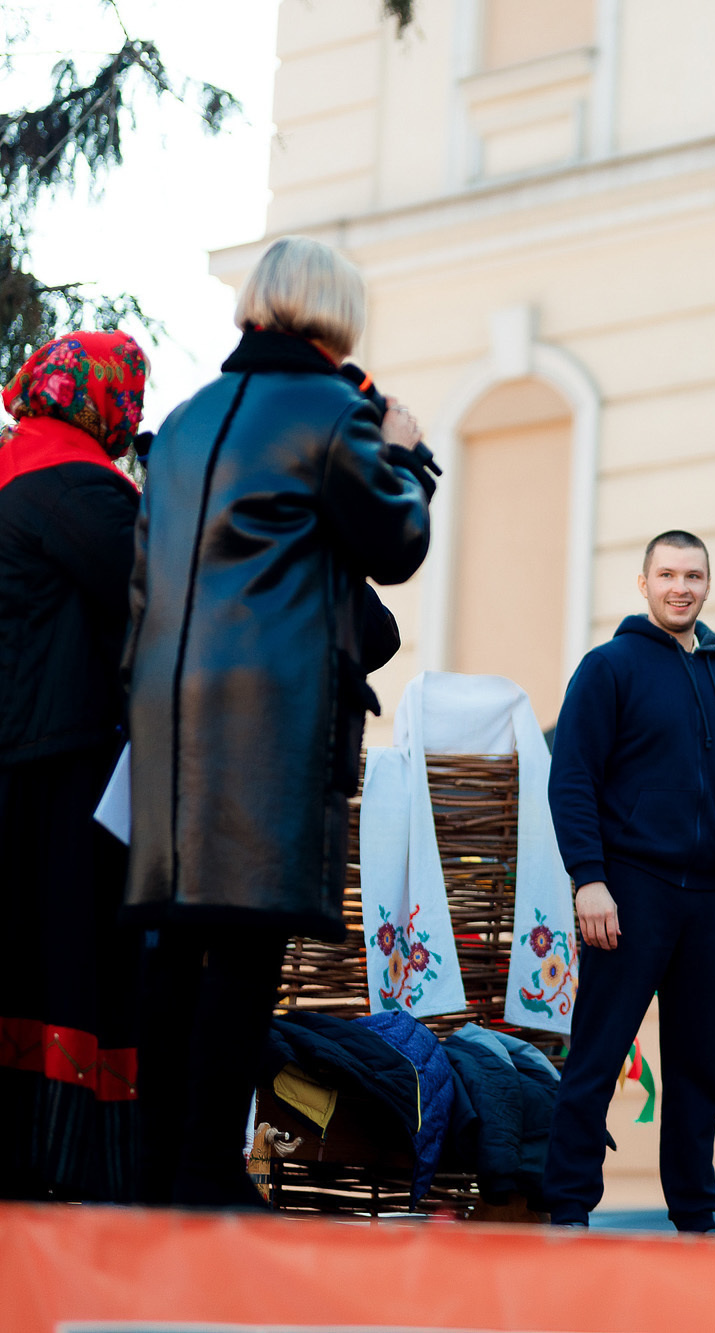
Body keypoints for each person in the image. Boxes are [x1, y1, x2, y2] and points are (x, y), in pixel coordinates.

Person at [125, 235, 433, 1207]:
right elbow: (397, 542)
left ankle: (155, 1165)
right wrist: (411, 454)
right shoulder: (335, 413)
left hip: (170, 716)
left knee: (178, 943)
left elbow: (144, 581)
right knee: (249, 948)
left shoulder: (180, 421)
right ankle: (207, 1168)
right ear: (334, 312)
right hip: (271, 713)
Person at [544, 529, 715, 1230]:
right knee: (598, 1052)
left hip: (711, 897)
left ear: (708, 585)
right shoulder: (608, 667)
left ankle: (695, 1215)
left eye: (695, 575)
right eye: (668, 574)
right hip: (629, 888)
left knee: (699, 1067)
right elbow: (573, 778)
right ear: (643, 583)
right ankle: (567, 1207)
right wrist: (589, 878)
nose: (682, 587)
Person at [0, 331, 150, 1201]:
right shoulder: (85, 491)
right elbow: (154, 602)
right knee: (71, 968)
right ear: (106, 402)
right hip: (67, 769)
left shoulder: (14, 470)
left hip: (16, 761)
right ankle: (72, 1173)